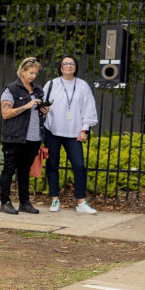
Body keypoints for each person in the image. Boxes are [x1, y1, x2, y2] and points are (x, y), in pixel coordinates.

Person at [43, 54, 99, 213]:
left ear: (75, 67)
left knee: (79, 166)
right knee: (52, 165)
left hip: (75, 133)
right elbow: (43, 105)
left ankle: (81, 202)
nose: (68, 66)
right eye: (65, 63)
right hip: (52, 131)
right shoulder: (52, 84)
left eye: (72, 63)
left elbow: (89, 109)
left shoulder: (82, 85)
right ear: (60, 67)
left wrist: (85, 129)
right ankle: (54, 199)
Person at [0, 57, 48, 214]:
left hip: (33, 138)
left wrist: (44, 111)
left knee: (25, 170)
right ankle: (5, 202)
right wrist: (27, 105)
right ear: (22, 71)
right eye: (31, 73)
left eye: (35, 73)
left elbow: (40, 115)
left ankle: (24, 202)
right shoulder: (11, 89)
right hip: (14, 137)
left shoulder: (38, 90)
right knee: (9, 169)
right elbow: (5, 113)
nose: (33, 76)